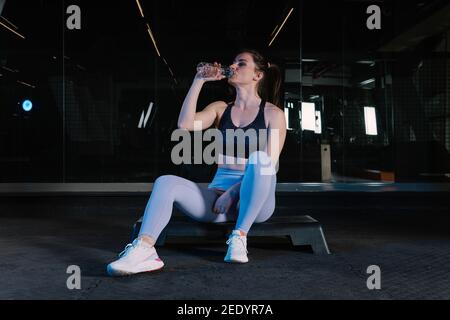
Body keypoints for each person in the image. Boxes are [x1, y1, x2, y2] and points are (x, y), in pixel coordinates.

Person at [107, 49, 287, 276]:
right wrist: (198, 80)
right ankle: (144, 251)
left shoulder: (273, 114)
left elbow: (269, 166)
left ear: (257, 76)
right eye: (233, 62)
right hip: (217, 199)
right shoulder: (221, 109)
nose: (233, 66)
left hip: (255, 203)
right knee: (166, 182)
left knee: (260, 159)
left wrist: (233, 193)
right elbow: (185, 124)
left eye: (241, 63)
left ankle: (240, 236)